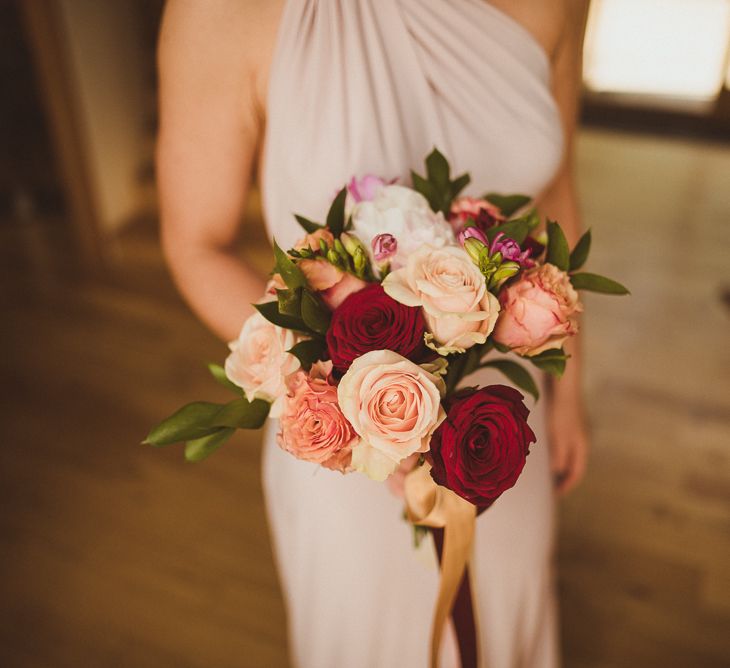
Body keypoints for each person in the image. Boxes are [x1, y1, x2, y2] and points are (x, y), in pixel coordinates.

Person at [156, 1, 590, 666]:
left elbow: (553, 191)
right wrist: (366, 408)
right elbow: (196, 244)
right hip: (344, 434)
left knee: (502, 614)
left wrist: (572, 387)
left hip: (498, 419)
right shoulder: (220, 14)